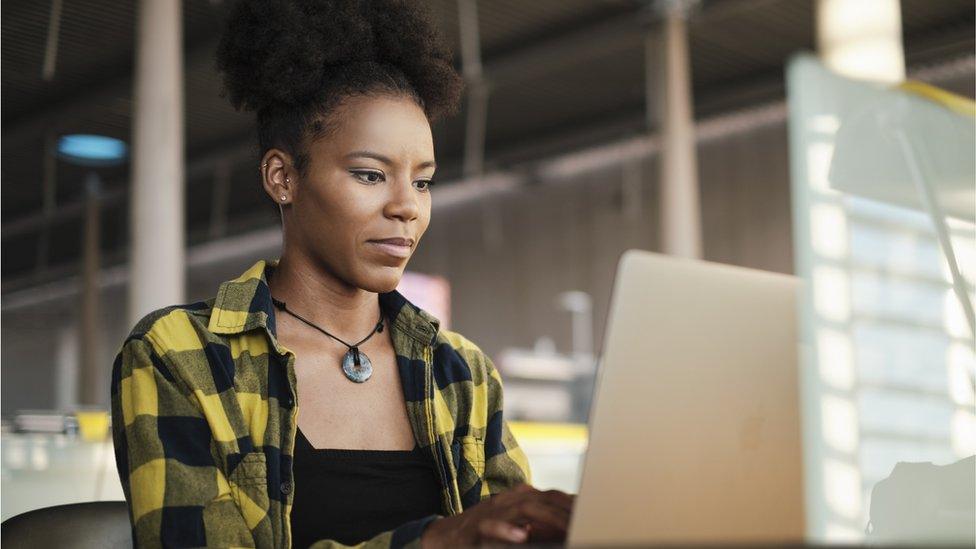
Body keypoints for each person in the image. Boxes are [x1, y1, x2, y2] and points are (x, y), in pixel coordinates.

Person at [109, 1, 575, 547]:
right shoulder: (179, 357)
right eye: (371, 174)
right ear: (282, 177)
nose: (407, 207)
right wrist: (434, 542)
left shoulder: (461, 374)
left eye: (423, 182)